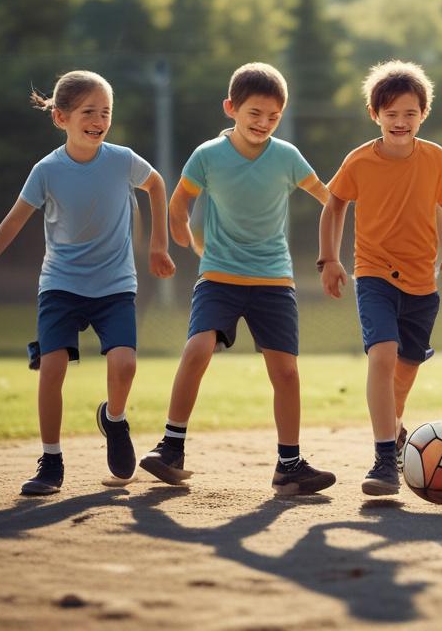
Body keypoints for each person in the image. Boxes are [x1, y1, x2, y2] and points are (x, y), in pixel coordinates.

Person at [0, 70, 175, 495]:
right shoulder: (47, 170)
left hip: (115, 285)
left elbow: (155, 184)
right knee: (52, 368)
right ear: (61, 117)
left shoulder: (122, 160)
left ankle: (113, 420)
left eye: (105, 112)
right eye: (89, 112)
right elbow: (14, 220)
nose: (99, 120)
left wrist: (157, 244)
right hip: (60, 285)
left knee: (124, 364)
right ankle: (51, 460)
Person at [138, 62, 335, 497]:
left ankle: (289, 465)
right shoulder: (208, 155)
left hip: (274, 280)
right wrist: (184, 239)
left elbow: (328, 197)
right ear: (231, 108)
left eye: (273, 117)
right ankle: (170, 448)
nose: (263, 124)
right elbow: (178, 202)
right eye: (254, 114)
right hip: (220, 276)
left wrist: (335, 243)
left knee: (285, 371)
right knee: (197, 348)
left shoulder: (286, 156)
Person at [318, 60, 442, 496]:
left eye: (409, 113)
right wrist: (329, 259)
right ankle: (385, 459)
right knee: (381, 356)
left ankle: (396, 435)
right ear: (374, 114)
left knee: (402, 377)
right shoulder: (360, 161)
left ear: (423, 114)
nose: (400, 122)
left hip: (423, 284)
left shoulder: (438, 159)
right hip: (374, 274)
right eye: (391, 113)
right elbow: (334, 204)